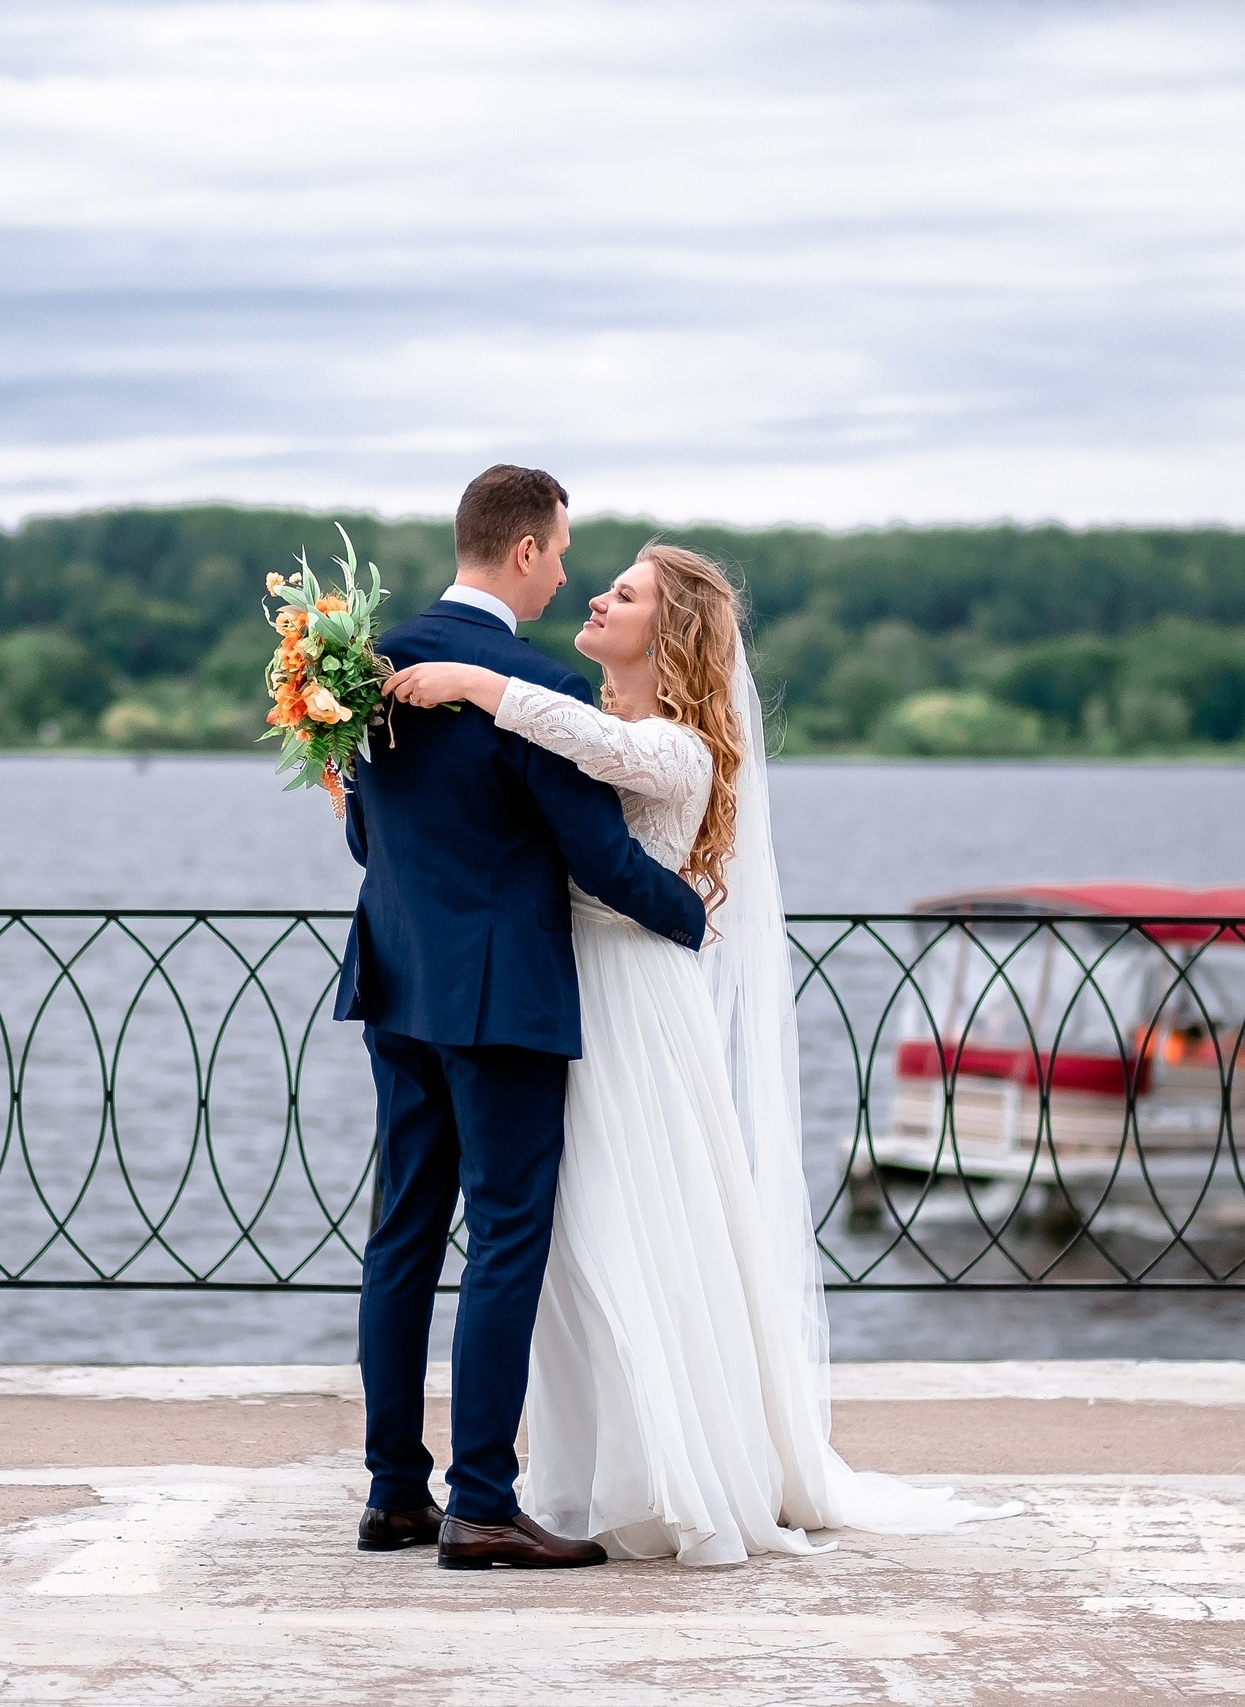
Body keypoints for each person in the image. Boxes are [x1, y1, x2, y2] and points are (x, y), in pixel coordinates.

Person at [387, 539, 1016, 1565]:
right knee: (568, 1249)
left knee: (630, 1229)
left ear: (665, 633)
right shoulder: (599, 727)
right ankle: (585, 1473)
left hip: (628, 1000)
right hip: (561, 989)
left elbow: (582, 740)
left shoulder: (673, 746)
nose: (597, 594)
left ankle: (670, 1469)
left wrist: (473, 679)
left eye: (624, 593)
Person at [336, 465, 707, 1571]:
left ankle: (396, 1492)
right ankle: (484, 1500)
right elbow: (596, 855)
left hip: (397, 984)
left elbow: (370, 841)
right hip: (502, 998)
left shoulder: (371, 664)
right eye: (564, 550)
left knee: (401, 1236)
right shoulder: (528, 682)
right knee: (505, 1239)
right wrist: (695, 916)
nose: (570, 575)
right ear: (530, 549)